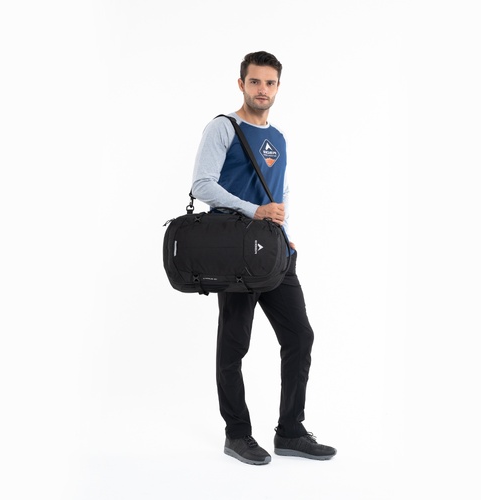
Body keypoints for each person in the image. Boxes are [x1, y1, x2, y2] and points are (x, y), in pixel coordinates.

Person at [191, 51, 336, 465]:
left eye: (270, 83)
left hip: (275, 253)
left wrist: (287, 236)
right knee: (234, 346)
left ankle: (290, 431)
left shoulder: (280, 138)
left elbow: (280, 193)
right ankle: (237, 434)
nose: (262, 90)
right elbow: (202, 184)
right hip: (235, 254)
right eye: (255, 82)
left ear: (278, 87)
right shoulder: (223, 127)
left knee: (299, 337)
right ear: (242, 84)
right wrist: (254, 211)